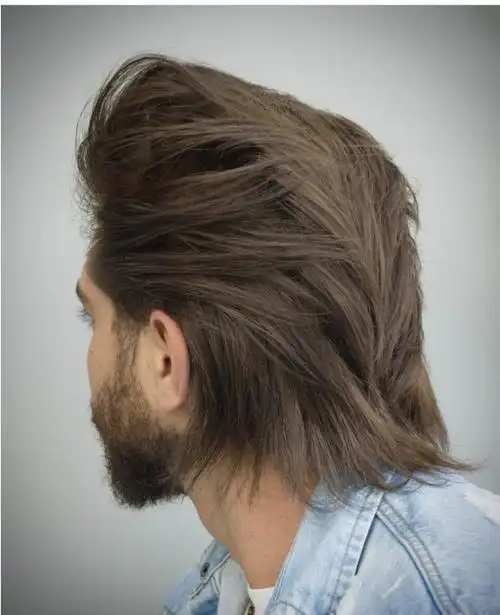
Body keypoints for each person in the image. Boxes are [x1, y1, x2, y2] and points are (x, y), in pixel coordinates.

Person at [75, 54, 500, 615]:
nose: (91, 355)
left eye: (94, 319)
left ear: (165, 362)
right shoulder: (216, 593)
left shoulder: (458, 589)